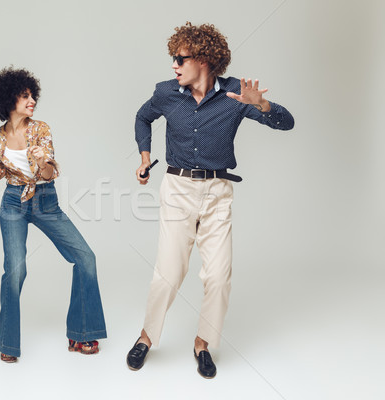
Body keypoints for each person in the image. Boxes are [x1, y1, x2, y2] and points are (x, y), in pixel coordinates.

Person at [126, 23, 294, 378]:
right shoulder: (167, 92)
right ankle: (146, 336)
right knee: (168, 273)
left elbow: (286, 123)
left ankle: (203, 343)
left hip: (218, 192)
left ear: (203, 60)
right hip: (177, 189)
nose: (174, 65)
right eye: (173, 58)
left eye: (180, 58)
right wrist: (144, 158)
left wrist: (261, 104)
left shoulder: (235, 95)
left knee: (218, 276)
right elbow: (143, 117)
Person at [0, 67, 107, 362]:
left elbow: (51, 171)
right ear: (8, 99)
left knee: (85, 257)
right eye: (24, 96)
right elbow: (6, 168)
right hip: (13, 203)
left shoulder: (40, 129)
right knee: (16, 270)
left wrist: (43, 163)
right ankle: (7, 342)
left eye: (32, 95)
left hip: (45, 201)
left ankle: (81, 332)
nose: (32, 101)